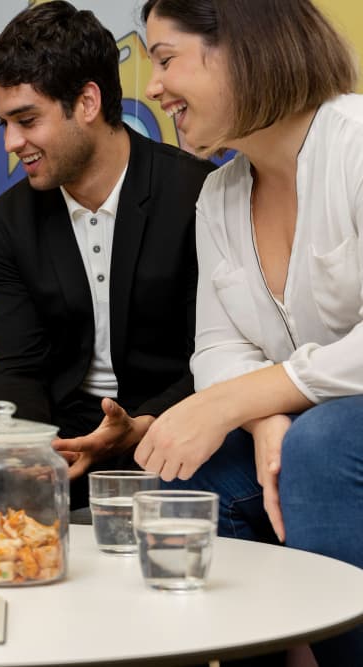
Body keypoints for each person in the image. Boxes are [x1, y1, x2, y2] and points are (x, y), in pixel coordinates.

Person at [137, 0, 362, 662]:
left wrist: (249, 398)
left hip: (335, 438)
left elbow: (241, 380)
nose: (152, 88)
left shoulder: (355, 143)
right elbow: (218, 345)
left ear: (242, 45)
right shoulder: (220, 196)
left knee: (317, 445)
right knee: (182, 464)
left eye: (166, 59)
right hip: (311, 425)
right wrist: (264, 418)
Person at [0, 1, 214, 509]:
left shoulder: (197, 195)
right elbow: (16, 365)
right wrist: (38, 452)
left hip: (174, 420)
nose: (12, 143)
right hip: (65, 432)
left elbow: (217, 354)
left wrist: (143, 426)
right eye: (4, 124)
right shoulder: (9, 220)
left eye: (26, 120)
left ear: (87, 101)